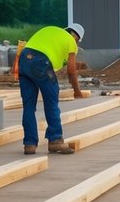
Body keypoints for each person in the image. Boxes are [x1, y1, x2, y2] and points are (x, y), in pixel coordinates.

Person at [19, 23, 85, 154]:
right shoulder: (71, 42)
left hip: (24, 60)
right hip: (41, 62)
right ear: (77, 39)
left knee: (28, 106)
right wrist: (77, 91)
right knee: (51, 102)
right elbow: (71, 71)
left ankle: (30, 145)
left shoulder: (50, 30)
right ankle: (55, 140)